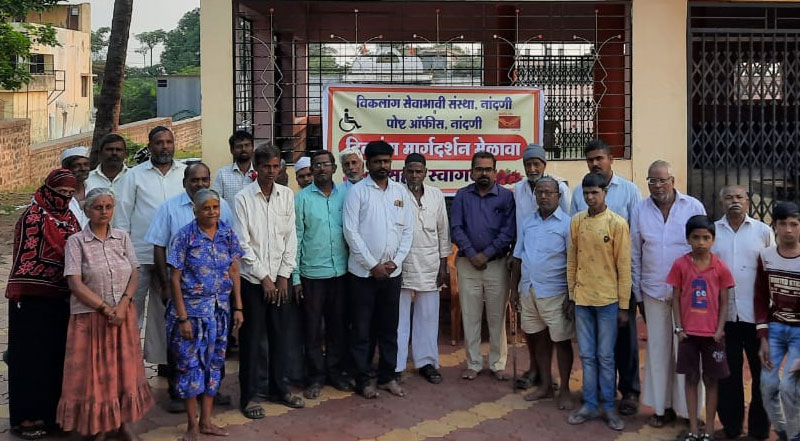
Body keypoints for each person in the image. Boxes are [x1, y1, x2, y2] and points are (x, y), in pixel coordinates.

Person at [57, 187, 154, 441]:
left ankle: (123, 424)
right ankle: (99, 427)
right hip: (90, 318)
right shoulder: (76, 242)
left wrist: (122, 305)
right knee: (95, 375)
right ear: (87, 210)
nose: (104, 212)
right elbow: (74, 282)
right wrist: (104, 308)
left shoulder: (122, 237)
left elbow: (134, 273)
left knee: (124, 371)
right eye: (98, 207)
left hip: (122, 317)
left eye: (108, 207)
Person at [144, 162, 236, 410]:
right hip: (184, 296)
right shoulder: (170, 208)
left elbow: (230, 247)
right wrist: (164, 284)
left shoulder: (222, 206)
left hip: (216, 298)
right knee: (183, 348)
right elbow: (159, 246)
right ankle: (179, 394)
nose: (200, 184)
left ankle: (211, 392)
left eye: (205, 179)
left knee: (214, 347)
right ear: (185, 182)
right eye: (195, 180)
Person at [6, 169, 82, 440]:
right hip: (31, 300)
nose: (65, 198)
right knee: (30, 360)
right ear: (49, 190)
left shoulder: (70, 219)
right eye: (61, 192)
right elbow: (28, 258)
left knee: (56, 358)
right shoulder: (33, 217)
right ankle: (27, 418)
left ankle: (52, 415)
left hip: (62, 299)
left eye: (70, 193)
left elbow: (78, 250)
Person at [570, 139, 642, 416]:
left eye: (600, 158)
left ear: (611, 159)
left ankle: (630, 391)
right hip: (587, 287)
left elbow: (634, 236)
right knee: (593, 350)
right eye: (590, 159)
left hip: (619, 281)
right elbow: (575, 240)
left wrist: (627, 293)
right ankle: (600, 392)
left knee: (625, 342)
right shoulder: (579, 194)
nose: (595, 163)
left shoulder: (629, 190)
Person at [631, 160, 706, 427]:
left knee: (687, 352)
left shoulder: (693, 207)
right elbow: (635, 254)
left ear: (673, 181)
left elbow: (704, 249)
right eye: (652, 180)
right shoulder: (640, 209)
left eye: (663, 180)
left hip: (687, 295)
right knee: (658, 352)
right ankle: (662, 409)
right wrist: (638, 295)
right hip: (653, 291)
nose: (658, 185)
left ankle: (689, 411)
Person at [166, 189, 244, 441]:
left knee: (214, 364)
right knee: (190, 366)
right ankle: (192, 425)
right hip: (192, 314)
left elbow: (234, 270)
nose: (212, 212)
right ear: (195, 211)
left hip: (220, 312)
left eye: (215, 207)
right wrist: (182, 318)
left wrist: (238, 306)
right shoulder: (184, 237)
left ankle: (207, 421)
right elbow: (174, 279)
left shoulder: (226, 233)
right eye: (206, 208)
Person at [234, 145, 304, 417]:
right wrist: (264, 278)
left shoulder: (286, 195)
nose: (271, 171)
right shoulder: (243, 198)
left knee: (280, 337)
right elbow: (242, 244)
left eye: (276, 166)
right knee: (252, 341)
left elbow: (291, 238)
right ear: (256, 167)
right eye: (266, 166)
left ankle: (279, 388)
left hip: (280, 279)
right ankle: (249, 396)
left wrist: (284, 275)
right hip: (254, 281)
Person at [343, 140, 414, 398]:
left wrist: (396, 261)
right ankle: (363, 380)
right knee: (362, 331)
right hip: (363, 275)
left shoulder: (400, 192)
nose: (383, 166)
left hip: (392, 274)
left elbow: (407, 231)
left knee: (389, 328)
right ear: (368, 163)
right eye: (377, 162)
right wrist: (373, 265)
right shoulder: (357, 192)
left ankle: (387, 377)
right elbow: (350, 232)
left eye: (386, 161)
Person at [113, 126, 187, 372]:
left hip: (173, 257)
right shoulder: (134, 176)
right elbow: (122, 216)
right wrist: (124, 254)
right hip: (139, 255)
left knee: (164, 311)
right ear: (150, 146)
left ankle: (164, 363)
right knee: (132, 311)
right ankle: (129, 367)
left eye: (168, 142)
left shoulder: (184, 173)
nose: (165, 147)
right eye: (159, 142)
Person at [566, 172, 631, 431]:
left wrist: (624, 306)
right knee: (587, 355)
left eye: (595, 192)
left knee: (605, 356)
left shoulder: (617, 223)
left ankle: (609, 406)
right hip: (582, 299)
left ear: (605, 193)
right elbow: (572, 261)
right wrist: (572, 296)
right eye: (586, 193)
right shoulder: (577, 222)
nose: (590, 198)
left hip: (608, 301)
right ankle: (590, 404)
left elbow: (624, 267)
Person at [713, 185, 773, 440]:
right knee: (728, 374)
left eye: (739, 197)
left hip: (757, 317)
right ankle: (732, 427)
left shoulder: (763, 231)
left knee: (762, 374)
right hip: (725, 317)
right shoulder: (713, 232)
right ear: (721, 203)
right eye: (728, 198)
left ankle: (759, 429)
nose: (734, 201)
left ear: (748, 202)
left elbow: (772, 268)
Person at [451, 151, 516, 381]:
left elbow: (508, 231)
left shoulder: (506, 197)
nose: (484, 173)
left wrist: (486, 255)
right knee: (470, 316)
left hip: (496, 264)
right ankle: (474, 363)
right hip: (467, 264)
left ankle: (498, 364)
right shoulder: (462, 196)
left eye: (488, 169)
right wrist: (471, 254)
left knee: (497, 317)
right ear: (471, 172)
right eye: (479, 169)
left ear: (495, 172)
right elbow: (456, 228)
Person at [510, 177, 574, 410]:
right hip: (529, 291)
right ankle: (546, 385)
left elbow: (573, 262)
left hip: (555, 293)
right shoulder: (528, 222)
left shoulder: (568, 224)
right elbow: (518, 257)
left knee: (562, 342)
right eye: (540, 192)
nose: (544, 196)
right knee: (538, 339)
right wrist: (514, 289)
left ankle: (565, 389)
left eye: (549, 192)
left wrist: (571, 296)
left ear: (558, 196)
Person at [668, 215, 733, 441]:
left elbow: (725, 302)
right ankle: (694, 428)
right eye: (696, 237)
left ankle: (709, 430)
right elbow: (675, 298)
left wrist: (720, 329)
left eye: (706, 238)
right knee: (691, 378)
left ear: (713, 239)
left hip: (713, 335)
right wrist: (679, 328)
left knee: (712, 380)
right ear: (688, 239)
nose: (701, 242)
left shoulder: (720, 267)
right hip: (688, 334)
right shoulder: (680, 265)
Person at [294, 150, 351, 398]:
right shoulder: (302, 199)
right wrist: (296, 277)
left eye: (325, 164)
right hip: (312, 275)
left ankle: (335, 372)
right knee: (313, 329)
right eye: (316, 165)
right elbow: (296, 238)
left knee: (338, 326)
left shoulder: (346, 196)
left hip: (341, 273)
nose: (321, 169)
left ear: (334, 168)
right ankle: (316, 376)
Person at [395, 153, 450, 384]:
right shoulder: (395, 193)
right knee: (398, 319)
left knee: (428, 317)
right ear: (403, 172)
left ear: (426, 173)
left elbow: (443, 232)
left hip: (430, 264)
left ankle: (426, 362)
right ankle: (396, 365)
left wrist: (444, 266)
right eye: (410, 171)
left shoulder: (436, 195)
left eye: (419, 171)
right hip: (402, 264)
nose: (414, 175)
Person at [755, 202, 800, 441]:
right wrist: (762, 338)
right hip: (774, 329)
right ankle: (783, 431)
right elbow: (760, 297)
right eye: (783, 224)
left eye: (794, 224)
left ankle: (795, 435)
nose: (788, 230)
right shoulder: (766, 257)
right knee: (768, 386)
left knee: (789, 388)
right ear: (775, 226)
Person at [213, 130, 257, 208]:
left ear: (253, 148)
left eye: (247, 145)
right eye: (239, 146)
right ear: (231, 150)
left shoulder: (261, 173)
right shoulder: (222, 174)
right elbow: (216, 201)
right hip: (231, 216)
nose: (243, 149)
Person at [60, 146, 90, 227]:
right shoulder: (57, 195)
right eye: (77, 166)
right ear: (66, 169)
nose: (83, 169)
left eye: (86, 164)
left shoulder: (95, 189)